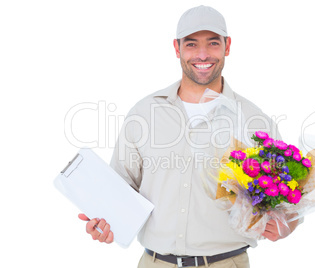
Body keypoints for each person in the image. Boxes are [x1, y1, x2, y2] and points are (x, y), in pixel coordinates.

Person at [78, 5, 300, 268]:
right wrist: (106, 221)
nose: (203, 54)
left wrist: (288, 225)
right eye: (192, 44)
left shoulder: (255, 121)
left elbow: (289, 197)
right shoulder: (144, 113)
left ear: (227, 46)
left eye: (213, 43)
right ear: (177, 48)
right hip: (155, 262)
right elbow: (121, 189)